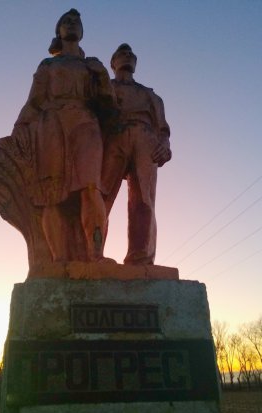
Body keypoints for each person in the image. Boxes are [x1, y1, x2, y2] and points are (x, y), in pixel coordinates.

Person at [12, 9, 116, 262]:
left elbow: (109, 105)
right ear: (58, 32)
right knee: (51, 194)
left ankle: (96, 255)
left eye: (76, 22)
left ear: (82, 32)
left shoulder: (92, 65)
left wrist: (102, 76)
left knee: (91, 187)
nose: (71, 25)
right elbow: (34, 101)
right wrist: (19, 128)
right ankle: (58, 261)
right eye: (66, 22)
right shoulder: (48, 65)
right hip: (52, 124)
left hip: (85, 122)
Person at [102, 43, 172, 265]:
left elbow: (163, 129)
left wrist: (165, 144)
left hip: (145, 138)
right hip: (113, 137)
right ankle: (90, 252)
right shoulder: (104, 89)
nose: (127, 56)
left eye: (131, 54)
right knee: (100, 196)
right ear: (112, 63)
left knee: (144, 199)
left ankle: (140, 256)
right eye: (121, 54)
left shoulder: (150, 95)